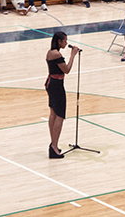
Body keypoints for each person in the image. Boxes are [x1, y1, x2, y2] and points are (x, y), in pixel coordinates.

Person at [45, 31, 80, 159]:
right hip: (56, 86)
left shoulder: (50, 52)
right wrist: (73, 55)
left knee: (53, 114)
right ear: (59, 41)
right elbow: (67, 70)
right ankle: (54, 146)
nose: (66, 43)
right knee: (59, 115)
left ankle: (53, 143)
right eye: (65, 41)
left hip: (51, 84)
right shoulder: (56, 54)